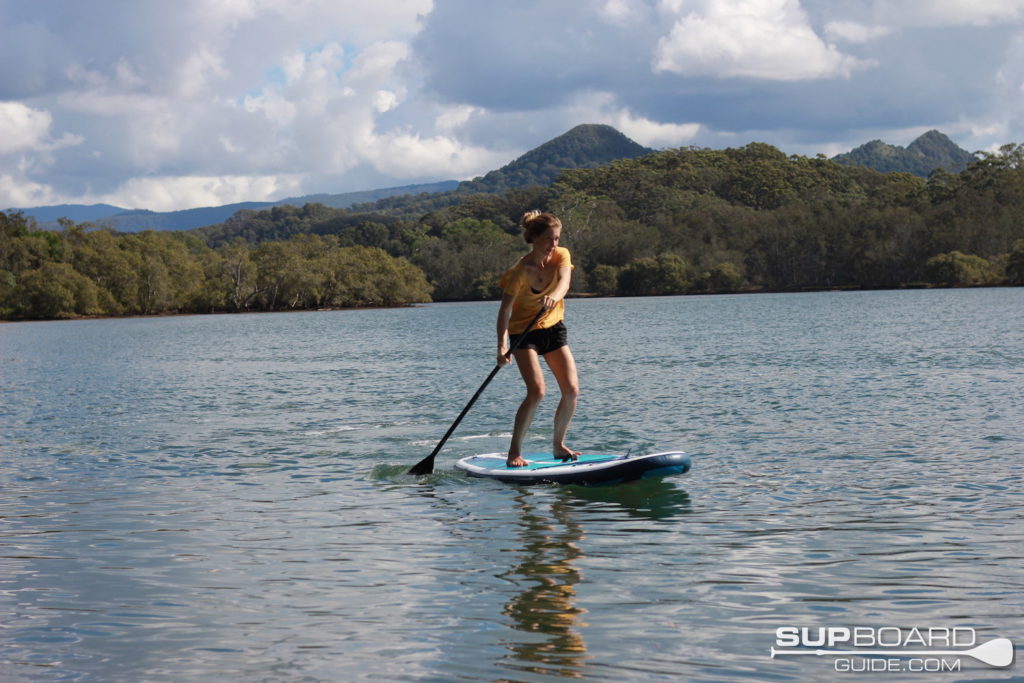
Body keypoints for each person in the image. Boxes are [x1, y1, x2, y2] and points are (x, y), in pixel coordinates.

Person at [497, 210, 581, 467]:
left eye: (556, 238)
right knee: (537, 391)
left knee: (571, 390)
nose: (553, 244)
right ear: (533, 238)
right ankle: (514, 452)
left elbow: (564, 283)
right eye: (548, 239)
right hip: (524, 332)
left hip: (553, 328)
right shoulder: (519, 272)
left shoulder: (562, 255)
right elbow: (505, 311)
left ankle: (558, 445)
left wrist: (554, 296)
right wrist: (502, 346)